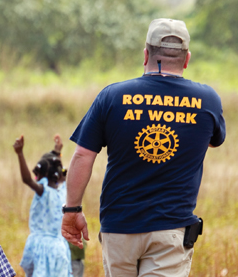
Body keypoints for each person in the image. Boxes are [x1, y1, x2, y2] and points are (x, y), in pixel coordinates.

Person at [63, 18, 225, 276]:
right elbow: (213, 140)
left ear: (146, 53)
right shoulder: (208, 99)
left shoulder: (112, 96)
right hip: (171, 229)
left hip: (119, 228)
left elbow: (83, 154)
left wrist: (71, 210)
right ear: (187, 59)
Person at [13, 136, 72, 277]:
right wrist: (57, 152)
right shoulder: (63, 191)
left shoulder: (43, 192)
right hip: (60, 249)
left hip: (42, 248)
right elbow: (59, 170)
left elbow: (26, 179)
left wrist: (20, 154)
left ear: (41, 174)